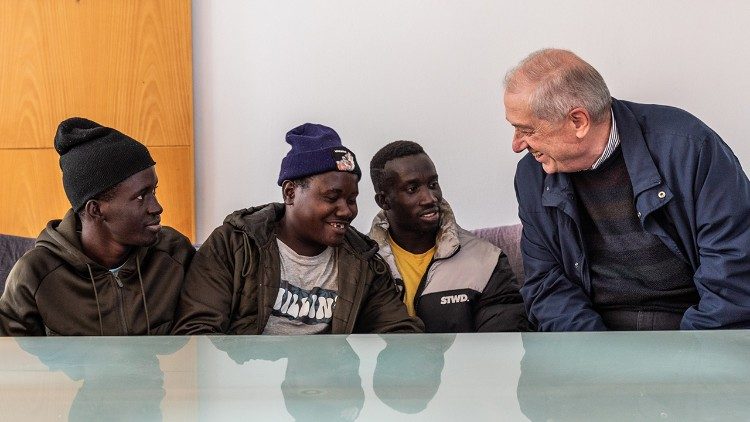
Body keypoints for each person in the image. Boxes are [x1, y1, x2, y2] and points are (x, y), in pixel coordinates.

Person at [505, 48, 750, 331]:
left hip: (690, 327)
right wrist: (596, 358)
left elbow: (734, 273)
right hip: (591, 335)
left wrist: (689, 359)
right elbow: (546, 284)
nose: (517, 144)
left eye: (526, 130)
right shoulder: (532, 175)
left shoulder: (690, 147)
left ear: (578, 121)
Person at [172, 123, 422, 335]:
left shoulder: (363, 260)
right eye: (332, 197)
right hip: (250, 387)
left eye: (351, 199)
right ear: (290, 192)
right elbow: (197, 332)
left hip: (333, 389)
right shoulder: (234, 245)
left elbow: (396, 331)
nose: (346, 211)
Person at [0, 117, 194, 336]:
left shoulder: (174, 253)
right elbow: (11, 360)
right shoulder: (35, 274)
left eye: (154, 191)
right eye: (141, 196)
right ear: (96, 210)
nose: (157, 207)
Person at [368, 141, 530, 332]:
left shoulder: (487, 260)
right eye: (412, 189)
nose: (430, 198)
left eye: (433, 184)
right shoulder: (361, 263)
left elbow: (502, 346)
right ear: (383, 201)